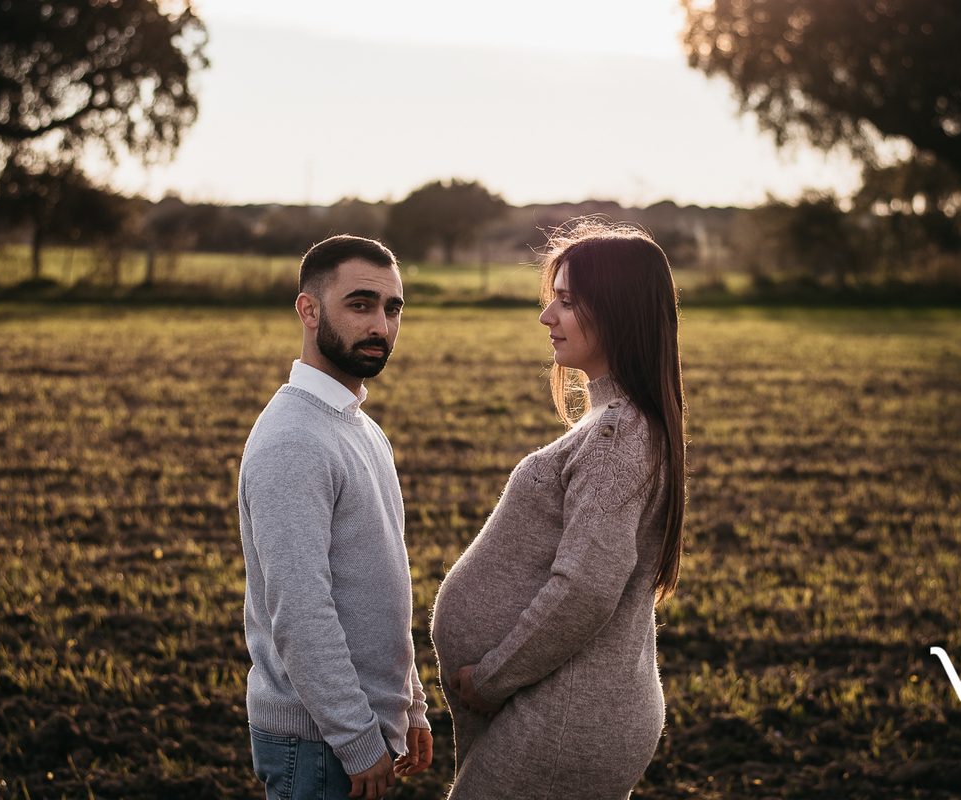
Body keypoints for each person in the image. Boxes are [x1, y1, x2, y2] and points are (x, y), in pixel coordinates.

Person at [431, 220, 686, 799]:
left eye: (567, 301)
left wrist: (495, 678)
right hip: (567, 708)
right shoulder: (617, 424)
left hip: (565, 716)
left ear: (617, 311)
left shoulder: (617, 434)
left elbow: (588, 586)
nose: (547, 316)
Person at [238, 235, 432, 800]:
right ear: (308, 309)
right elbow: (300, 611)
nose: (381, 325)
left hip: (358, 729)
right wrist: (355, 738)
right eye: (361, 304)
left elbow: (374, 583)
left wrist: (409, 700)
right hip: (318, 744)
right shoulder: (294, 439)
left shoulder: (359, 426)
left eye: (393, 308)